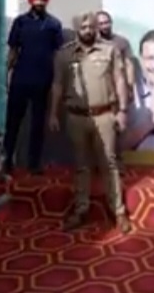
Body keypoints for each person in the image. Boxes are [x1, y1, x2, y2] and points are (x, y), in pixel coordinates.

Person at [49, 12, 131, 233]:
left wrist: (123, 110)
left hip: (104, 115)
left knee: (109, 164)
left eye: (91, 27)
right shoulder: (64, 55)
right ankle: (81, 209)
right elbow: (57, 85)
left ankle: (119, 212)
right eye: (83, 27)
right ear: (77, 29)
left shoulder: (109, 50)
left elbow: (119, 80)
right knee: (81, 166)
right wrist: (53, 114)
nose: (88, 31)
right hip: (76, 117)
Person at [4, 0, 64, 173]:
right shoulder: (20, 22)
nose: (40, 3)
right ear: (31, 0)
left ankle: (34, 163)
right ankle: (7, 159)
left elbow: (58, 55)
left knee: (38, 124)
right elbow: (13, 51)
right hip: (20, 79)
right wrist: (7, 75)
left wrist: (56, 80)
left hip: (43, 81)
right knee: (13, 122)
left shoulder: (54, 24)